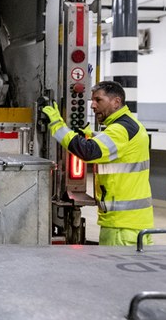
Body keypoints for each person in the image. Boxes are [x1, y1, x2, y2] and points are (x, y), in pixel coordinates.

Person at [43, 80, 154, 246]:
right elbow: (116, 148)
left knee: (113, 272)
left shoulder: (121, 129)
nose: (93, 106)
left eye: (98, 100)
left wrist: (57, 125)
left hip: (122, 229)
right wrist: (93, 135)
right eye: (92, 100)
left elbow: (89, 151)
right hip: (132, 225)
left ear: (116, 102)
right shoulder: (129, 126)